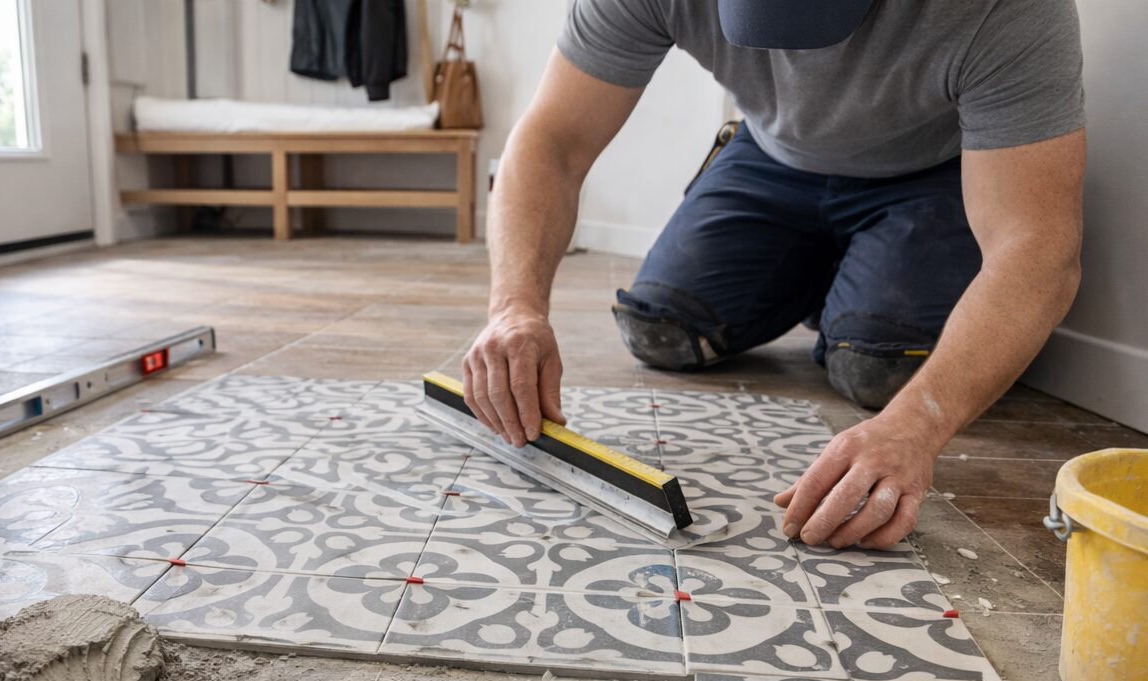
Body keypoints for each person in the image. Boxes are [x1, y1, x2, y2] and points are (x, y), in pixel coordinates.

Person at [461, 0, 1085, 549]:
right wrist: (514, 307)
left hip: (929, 174)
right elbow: (552, 141)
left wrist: (915, 425)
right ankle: (836, 270)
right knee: (662, 331)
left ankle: (858, 280)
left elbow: (1036, 247)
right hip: (771, 158)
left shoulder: (1003, 8)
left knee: (879, 369)